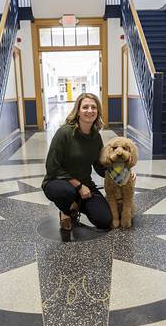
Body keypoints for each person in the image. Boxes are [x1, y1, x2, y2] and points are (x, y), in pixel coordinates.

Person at [42, 93, 113, 231]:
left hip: (85, 185)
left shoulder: (95, 136)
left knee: (104, 220)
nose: (90, 110)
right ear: (78, 111)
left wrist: (121, 174)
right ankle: (66, 211)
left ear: (98, 111)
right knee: (66, 192)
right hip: (58, 182)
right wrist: (79, 186)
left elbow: (99, 166)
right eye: (85, 107)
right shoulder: (64, 133)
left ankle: (76, 204)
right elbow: (52, 167)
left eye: (93, 107)